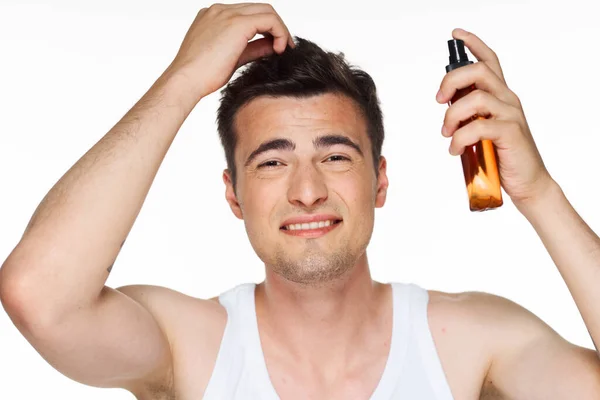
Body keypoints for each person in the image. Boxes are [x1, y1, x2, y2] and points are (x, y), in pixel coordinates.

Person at [1, 3, 599, 399]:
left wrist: (538, 191)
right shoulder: (191, 346)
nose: (307, 189)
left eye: (336, 156)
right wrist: (182, 79)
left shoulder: (470, 341)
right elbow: (40, 297)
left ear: (380, 181)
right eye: (272, 161)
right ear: (232, 193)